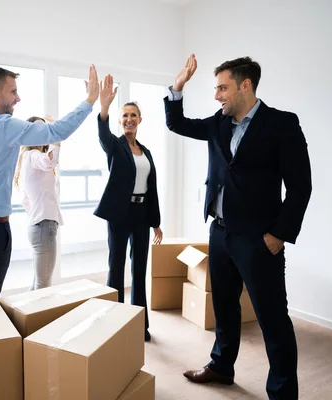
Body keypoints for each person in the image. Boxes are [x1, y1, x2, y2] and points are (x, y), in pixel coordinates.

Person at [165, 54, 312, 399]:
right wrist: (177, 87)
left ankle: (282, 392)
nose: (217, 96)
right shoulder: (218, 123)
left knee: (273, 320)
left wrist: (278, 235)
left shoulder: (282, 124)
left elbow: (301, 186)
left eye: (222, 88)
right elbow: (177, 124)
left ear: (245, 85)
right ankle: (221, 366)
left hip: (259, 240)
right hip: (220, 233)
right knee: (224, 307)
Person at [0, 65, 100, 299]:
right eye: (13, 92)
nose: (18, 98)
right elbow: (56, 132)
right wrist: (90, 100)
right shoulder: (4, 126)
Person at [94, 74, 163, 342]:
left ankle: (140, 325)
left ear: (140, 120)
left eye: (133, 115)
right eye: (124, 116)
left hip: (141, 214)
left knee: (139, 270)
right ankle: (113, 323)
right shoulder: (115, 146)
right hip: (119, 215)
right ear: (121, 120)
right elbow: (102, 134)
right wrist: (104, 108)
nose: (129, 119)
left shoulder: (146, 152)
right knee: (116, 268)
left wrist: (155, 221)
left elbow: (151, 187)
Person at [13, 116, 62, 290]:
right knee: (43, 285)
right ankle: (40, 318)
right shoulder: (33, 156)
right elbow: (50, 161)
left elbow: (26, 201)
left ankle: (29, 317)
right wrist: (57, 139)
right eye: (38, 129)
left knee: (39, 281)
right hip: (43, 225)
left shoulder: (27, 157)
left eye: (44, 129)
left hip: (38, 224)